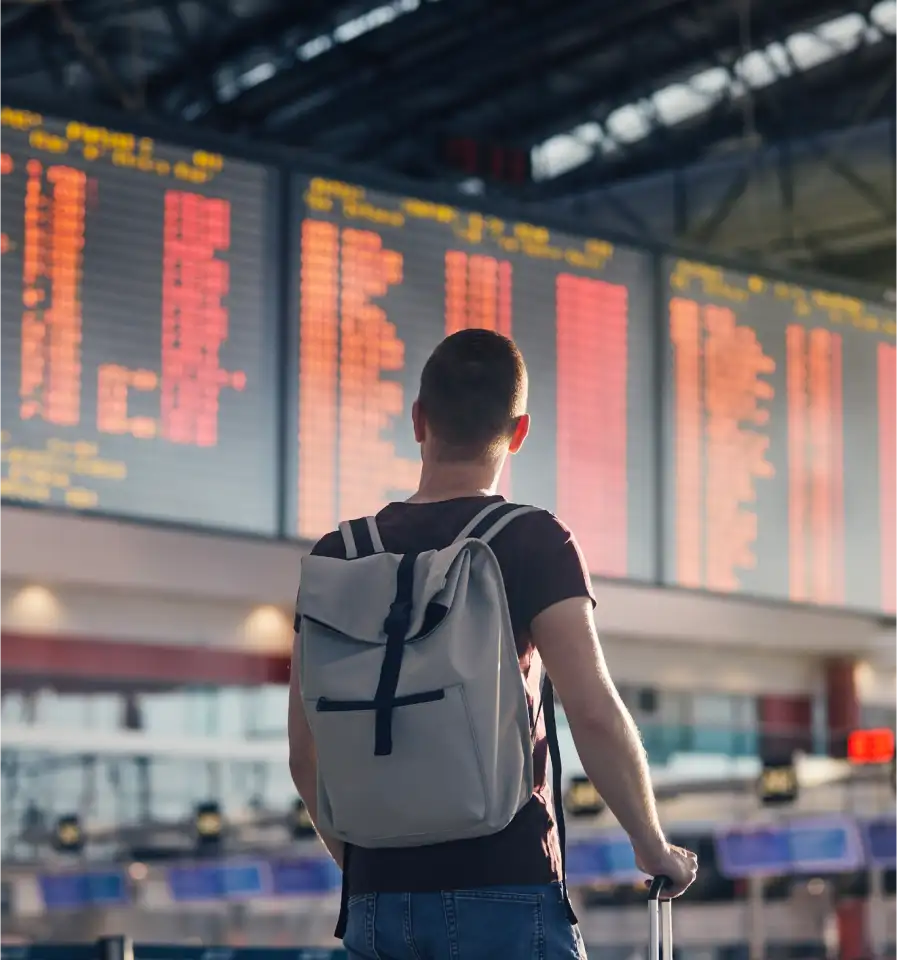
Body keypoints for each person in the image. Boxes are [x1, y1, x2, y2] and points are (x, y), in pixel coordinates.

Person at [289, 329, 697, 959]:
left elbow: (305, 753)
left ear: (418, 419)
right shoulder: (531, 540)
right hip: (505, 884)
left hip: (375, 902)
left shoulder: (336, 555)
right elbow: (592, 711)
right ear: (520, 431)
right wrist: (652, 845)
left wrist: (371, 871)